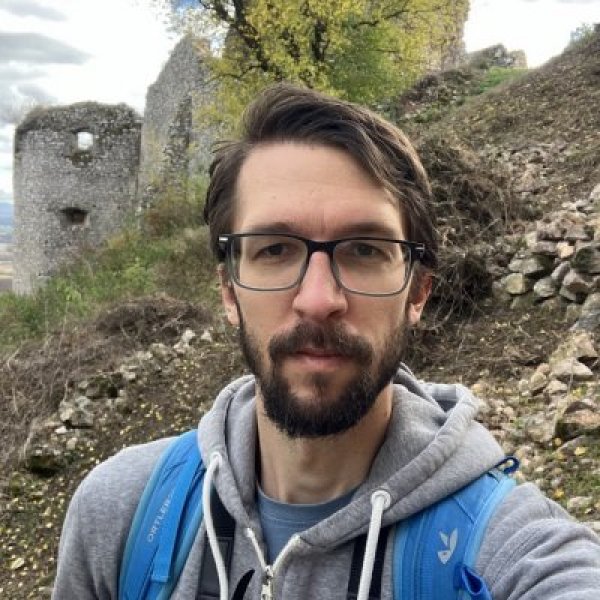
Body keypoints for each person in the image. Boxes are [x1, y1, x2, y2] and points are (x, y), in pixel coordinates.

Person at [52, 84, 600, 600]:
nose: (318, 300)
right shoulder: (119, 516)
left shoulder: (514, 549)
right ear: (228, 290)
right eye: (274, 249)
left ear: (417, 293)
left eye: (364, 250)